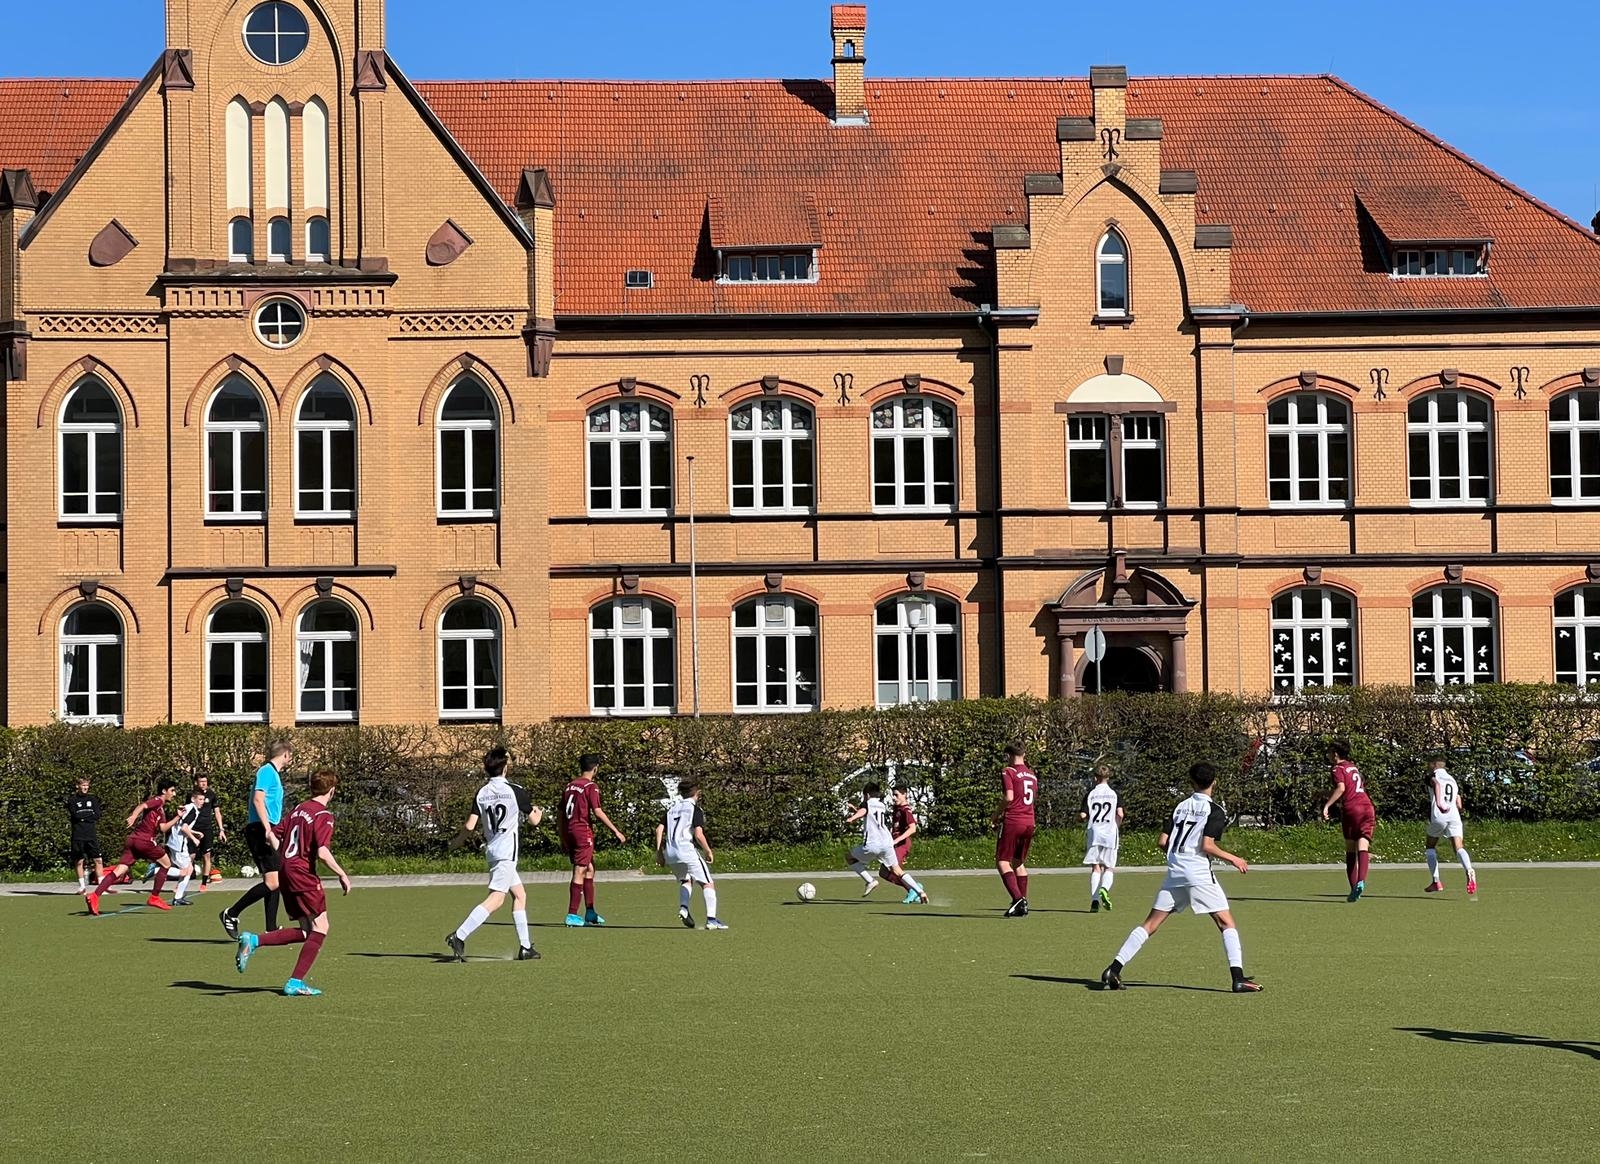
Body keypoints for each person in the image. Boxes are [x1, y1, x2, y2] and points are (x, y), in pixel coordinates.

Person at [1100, 762, 1262, 994]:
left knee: (1150, 924)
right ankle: (1238, 979)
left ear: (1191, 782)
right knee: (1226, 923)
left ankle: (1114, 969)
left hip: (1175, 872)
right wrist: (1234, 859)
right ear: (1214, 782)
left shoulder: (1180, 807)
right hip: (1198, 873)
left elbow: (1162, 842)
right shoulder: (1214, 810)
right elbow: (1207, 845)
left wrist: (1179, 858)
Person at [234, 769, 352, 996]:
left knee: (308, 931)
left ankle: (254, 940)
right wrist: (342, 874)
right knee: (322, 927)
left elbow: (271, 835)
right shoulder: (322, 814)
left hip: (285, 871)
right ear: (332, 791)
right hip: (303, 875)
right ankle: (295, 982)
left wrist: (287, 858)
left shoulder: (298, 809)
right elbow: (323, 852)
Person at [445, 746, 543, 962]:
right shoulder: (515, 790)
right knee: (497, 899)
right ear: (505, 768)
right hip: (507, 853)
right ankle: (459, 936)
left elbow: (470, 826)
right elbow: (534, 820)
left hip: (493, 851)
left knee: (520, 895)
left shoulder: (482, 792)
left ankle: (526, 947)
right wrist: (538, 812)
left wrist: (456, 843)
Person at [220, 741, 291, 940]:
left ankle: (271, 928)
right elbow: (258, 799)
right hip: (260, 829)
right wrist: (268, 829)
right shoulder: (267, 771)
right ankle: (231, 913)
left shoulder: (273, 773)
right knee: (273, 881)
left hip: (267, 828)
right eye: (290, 756)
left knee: (275, 879)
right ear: (285, 755)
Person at [85, 778, 181, 916]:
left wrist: (177, 817)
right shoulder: (158, 800)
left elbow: (163, 828)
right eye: (172, 790)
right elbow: (142, 806)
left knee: (120, 870)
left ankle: (94, 896)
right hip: (144, 841)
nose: (174, 794)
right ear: (164, 791)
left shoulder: (160, 809)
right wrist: (133, 816)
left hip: (132, 840)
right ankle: (154, 897)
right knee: (166, 864)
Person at [559, 753, 626, 927]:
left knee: (589, 868)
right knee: (580, 869)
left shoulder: (570, 786)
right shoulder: (591, 786)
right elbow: (597, 811)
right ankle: (572, 914)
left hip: (570, 831)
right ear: (595, 768)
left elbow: (561, 814)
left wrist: (563, 837)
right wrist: (616, 831)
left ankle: (590, 912)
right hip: (582, 832)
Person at [654, 780, 727, 930]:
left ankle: (684, 908)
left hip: (671, 852)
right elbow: (699, 835)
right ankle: (711, 920)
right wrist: (708, 850)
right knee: (707, 883)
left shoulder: (672, 809)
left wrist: (659, 853)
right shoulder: (694, 809)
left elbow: (658, 829)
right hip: (686, 850)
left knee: (686, 880)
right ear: (697, 793)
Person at [845, 782, 928, 904]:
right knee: (894, 871)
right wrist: (856, 811)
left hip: (877, 844)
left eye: (896, 795)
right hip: (887, 844)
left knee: (849, 857)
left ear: (867, 795)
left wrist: (852, 818)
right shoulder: (882, 805)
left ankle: (870, 881)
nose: (893, 798)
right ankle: (920, 891)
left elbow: (865, 810)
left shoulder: (868, 803)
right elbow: (870, 814)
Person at [1322, 739, 1376, 902]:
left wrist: (1327, 805)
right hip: (1367, 807)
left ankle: (1354, 888)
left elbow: (1342, 788)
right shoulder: (1353, 766)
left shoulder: (1337, 768)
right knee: (1363, 845)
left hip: (1352, 809)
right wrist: (1325, 794)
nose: (1328, 755)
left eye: (1329, 752)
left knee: (1351, 849)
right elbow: (1352, 787)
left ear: (1335, 754)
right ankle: (1361, 881)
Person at [992, 744, 1038, 917]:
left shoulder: (1008, 771)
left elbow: (1009, 796)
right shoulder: (1032, 775)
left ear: (1009, 755)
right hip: (1029, 821)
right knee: (1018, 862)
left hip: (1014, 820)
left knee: (1002, 861)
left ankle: (1018, 899)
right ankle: (1022, 903)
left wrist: (995, 815)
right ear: (1024, 754)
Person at [1424, 758, 1477, 896]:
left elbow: (1436, 785)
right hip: (1454, 816)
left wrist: (1440, 804)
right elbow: (1458, 802)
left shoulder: (1433, 776)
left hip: (1440, 814)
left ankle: (1436, 881)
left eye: (1429, 764)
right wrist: (1458, 809)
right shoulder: (1452, 780)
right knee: (1459, 847)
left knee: (1430, 847)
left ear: (1434, 765)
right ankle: (1469, 870)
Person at [1081, 763, 1123, 912]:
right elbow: (1120, 814)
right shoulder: (1114, 794)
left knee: (1096, 867)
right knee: (1109, 866)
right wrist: (1116, 826)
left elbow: (1083, 815)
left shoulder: (1091, 794)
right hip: (1110, 833)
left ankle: (1094, 901)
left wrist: (1082, 819)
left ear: (1095, 778)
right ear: (1108, 777)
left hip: (1095, 833)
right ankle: (1104, 888)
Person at [163, 788, 208, 905]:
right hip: (179, 844)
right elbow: (184, 828)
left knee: (188, 870)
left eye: (203, 799)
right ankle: (157, 870)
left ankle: (178, 897)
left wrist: (195, 833)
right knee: (186, 871)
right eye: (200, 799)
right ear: (193, 799)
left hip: (175, 842)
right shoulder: (192, 810)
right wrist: (194, 839)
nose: (202, 802)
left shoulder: (187, 808)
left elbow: (182, 826)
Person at [879, 788, 922, 905]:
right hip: (893, 844)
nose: (894, 798)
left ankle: (913, 889)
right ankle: (914, 888)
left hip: (902, 845)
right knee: (883, 872)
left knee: (895, 870)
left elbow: (912, 828)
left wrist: (897, 840)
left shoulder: (906, 810)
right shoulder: (896, 809)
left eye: (896, 795)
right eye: (893, 795)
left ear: (905, 794)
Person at [66, 776, 106, 894]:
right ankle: (82, 887)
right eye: (83, 785)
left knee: (98, 860)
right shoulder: (72, 800)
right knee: (79, 861)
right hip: (78, 835)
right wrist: (87, 816)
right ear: (78, 786)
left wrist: (85, 818)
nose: (85, 788)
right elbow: (76, 815)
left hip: (91, 835)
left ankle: (101, 887)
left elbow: (97, 815)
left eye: (87, 785)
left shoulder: (93, 799)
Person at [191, 773, 227, 885]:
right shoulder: (191, 795)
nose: (203, 784)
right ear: (196, 782)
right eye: (201, 781)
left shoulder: (211, 794)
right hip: (193, 829)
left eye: (205, 781)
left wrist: (221, 830)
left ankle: (204, 883)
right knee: (190, 855)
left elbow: (217, 812)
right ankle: (186, 879)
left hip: (207, 829)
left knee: (207, 855)